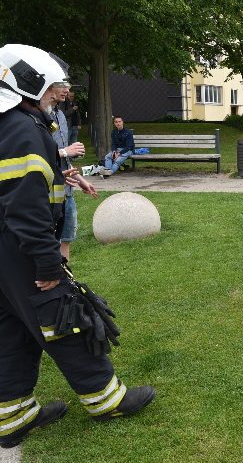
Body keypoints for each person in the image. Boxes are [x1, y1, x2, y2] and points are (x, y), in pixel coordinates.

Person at [0, 44, 154, 449]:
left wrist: (66, 175)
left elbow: (24, 178)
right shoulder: (20, 129)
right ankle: (107, 400)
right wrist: (48, 268)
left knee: (13, 328)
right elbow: (25, 209)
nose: (59, 94)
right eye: (53, 87)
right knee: (65, 319)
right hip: (19, 250)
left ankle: (13, 415)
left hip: (4, 254)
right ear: (28, 85)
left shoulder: (12, 123)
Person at [50, 81, 98, 260]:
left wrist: (82, 181)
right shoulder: (38, 118)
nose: (67, 90)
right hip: (50, 193)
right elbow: (38, 154)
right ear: (48, 87)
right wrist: (64, 151)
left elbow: (65, 160)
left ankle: (65, 282)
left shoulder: (61, 116)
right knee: (49, 242)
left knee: (66, 239)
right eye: (62, 85)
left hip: (67, 192)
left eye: (68, 86)